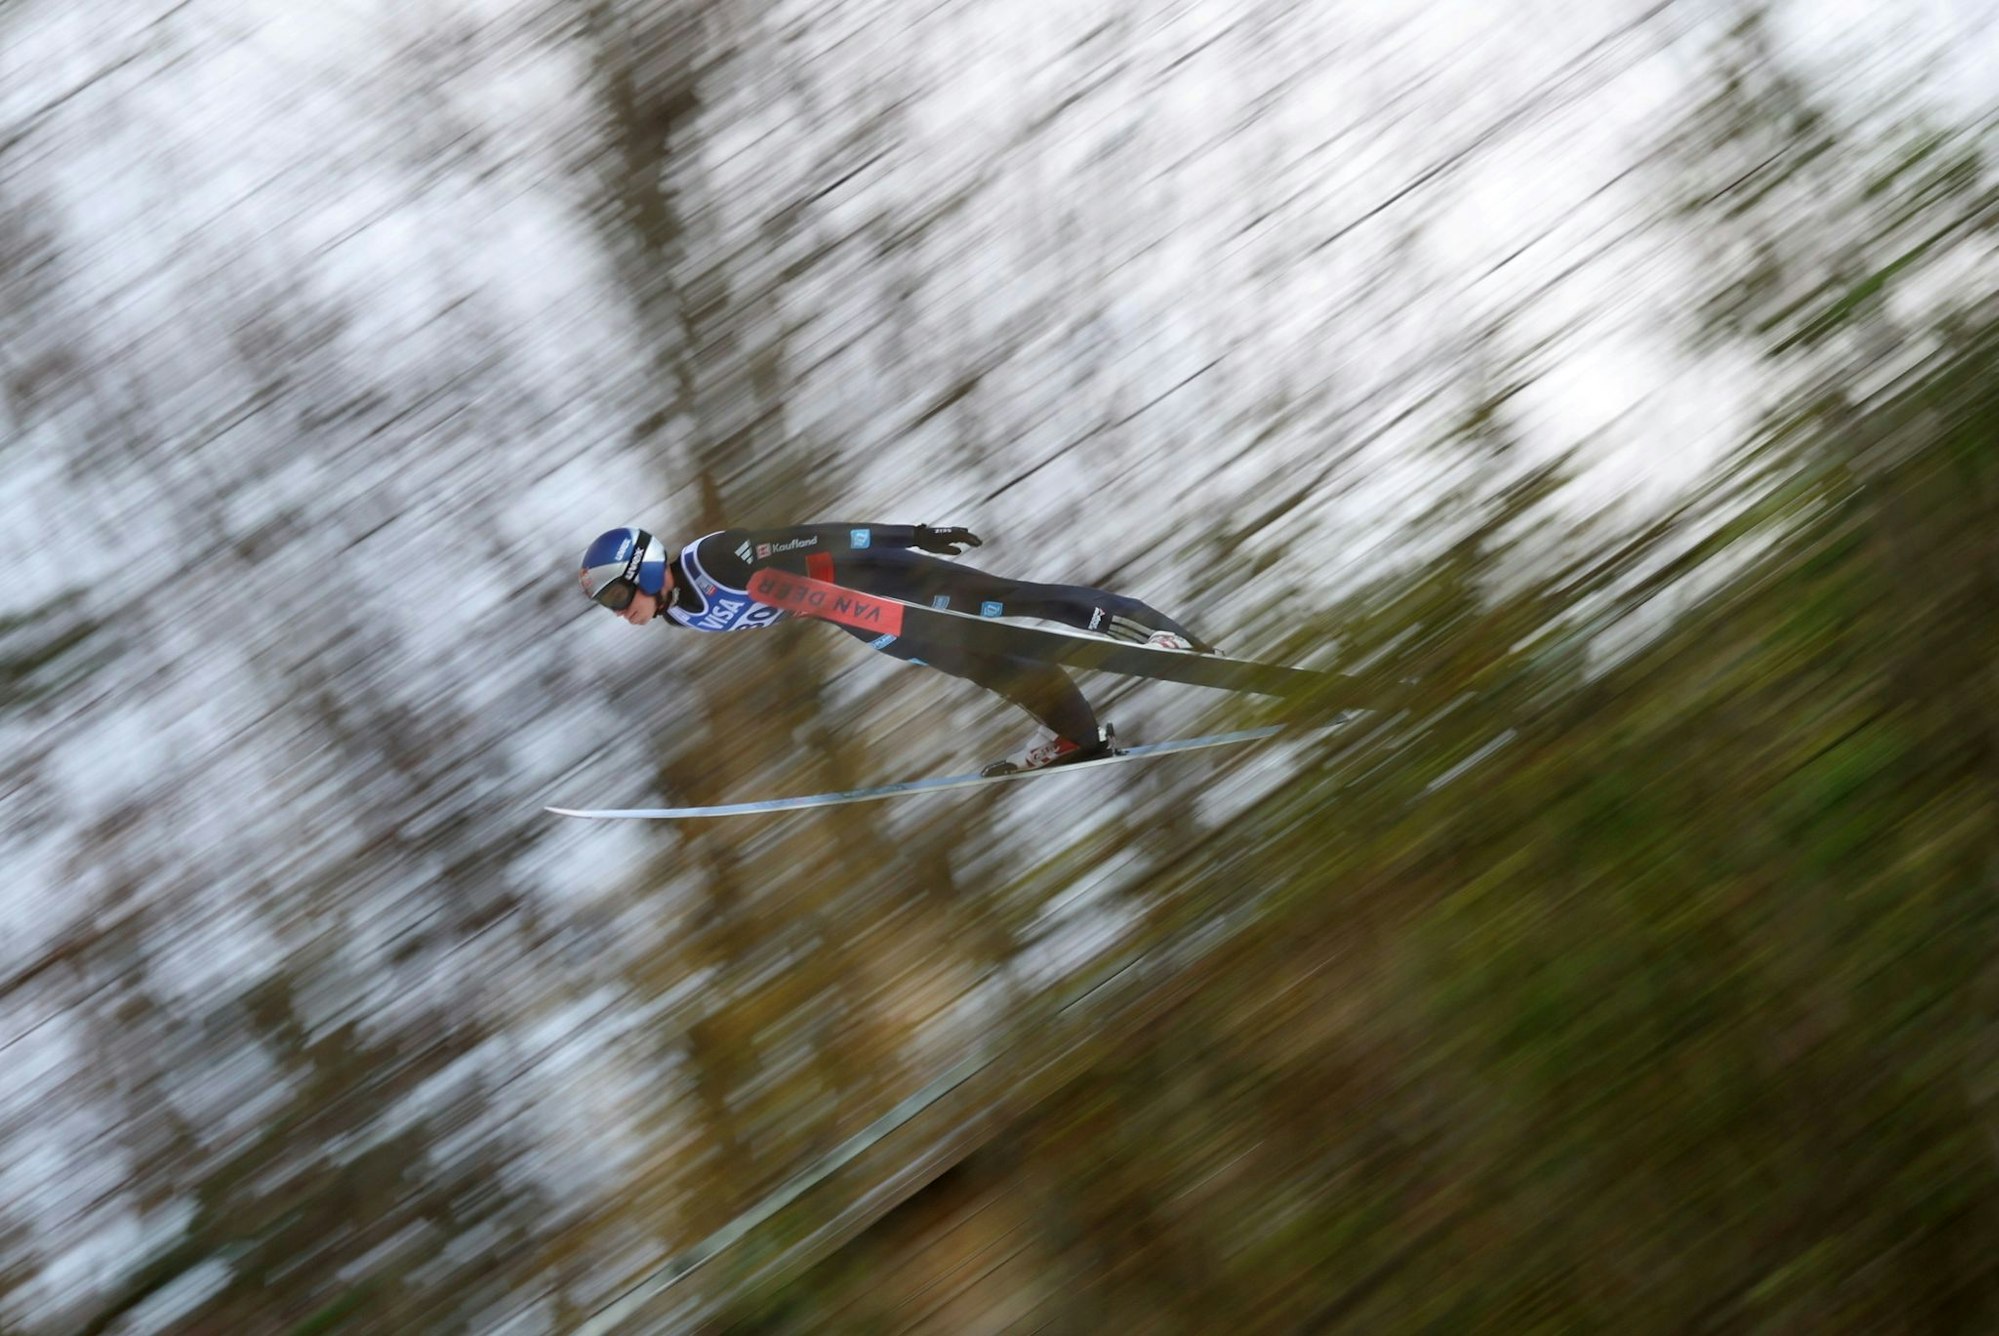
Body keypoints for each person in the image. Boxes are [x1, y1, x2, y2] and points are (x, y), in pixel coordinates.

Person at [577, 522, 1214, 774]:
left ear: (646, 565)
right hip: (861, 618)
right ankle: (1079, 738)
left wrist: (912, 536)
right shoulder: (682, 616)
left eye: (615, 598)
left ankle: (1158, 636)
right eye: (608, 606)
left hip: (878, 579)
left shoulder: (714, 559)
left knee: (1014, 603)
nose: (619, 614)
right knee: (995, 665)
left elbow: (812, 537)